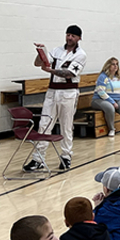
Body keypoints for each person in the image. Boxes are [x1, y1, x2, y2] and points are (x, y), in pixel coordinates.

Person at [26, 25, 87, 172]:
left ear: (79, 38)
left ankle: (66, 156)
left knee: (66, 126)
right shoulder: (56, 50)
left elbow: (69, 73)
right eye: (68, 35)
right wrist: (42, 51)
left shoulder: (81, 55)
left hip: (68, 93)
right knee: (44, 124)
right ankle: (38, 158)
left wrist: (51, 70)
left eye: (73, 35)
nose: (69, 37)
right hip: (52, 92)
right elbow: (38, 63)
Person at [91, 57, 120, 137]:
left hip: (116, 99)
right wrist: (112, 102)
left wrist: (117, 101)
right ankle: (111, 129)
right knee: (110, 108)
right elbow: (101, 91)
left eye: (117, 64)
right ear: (108, 65)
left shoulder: (119, 76)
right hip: (99, 99)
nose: (115, 66)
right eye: (113, 64)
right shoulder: (103, 76)